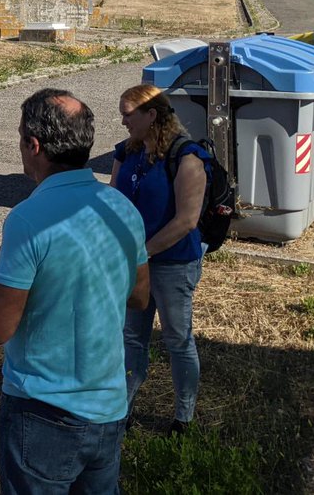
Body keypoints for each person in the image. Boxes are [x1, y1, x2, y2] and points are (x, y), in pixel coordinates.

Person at [0, 89, 150, 495]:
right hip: (108, 407)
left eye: (20, 138)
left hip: (42, 412)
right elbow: (140, 298)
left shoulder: (27, 219)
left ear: (34, 145)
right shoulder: (121, 207)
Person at [112, 84, 208, 434]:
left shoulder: (187, 157)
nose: (122, 121)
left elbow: (186, 221)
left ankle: (184, 417)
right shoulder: (126, 152)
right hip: (135, 263)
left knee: (177, 339)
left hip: (173, 264)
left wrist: (143, 251)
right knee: (131, 338)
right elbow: (114, 200)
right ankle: (121, 412)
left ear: (151, 115)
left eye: (128, 113)